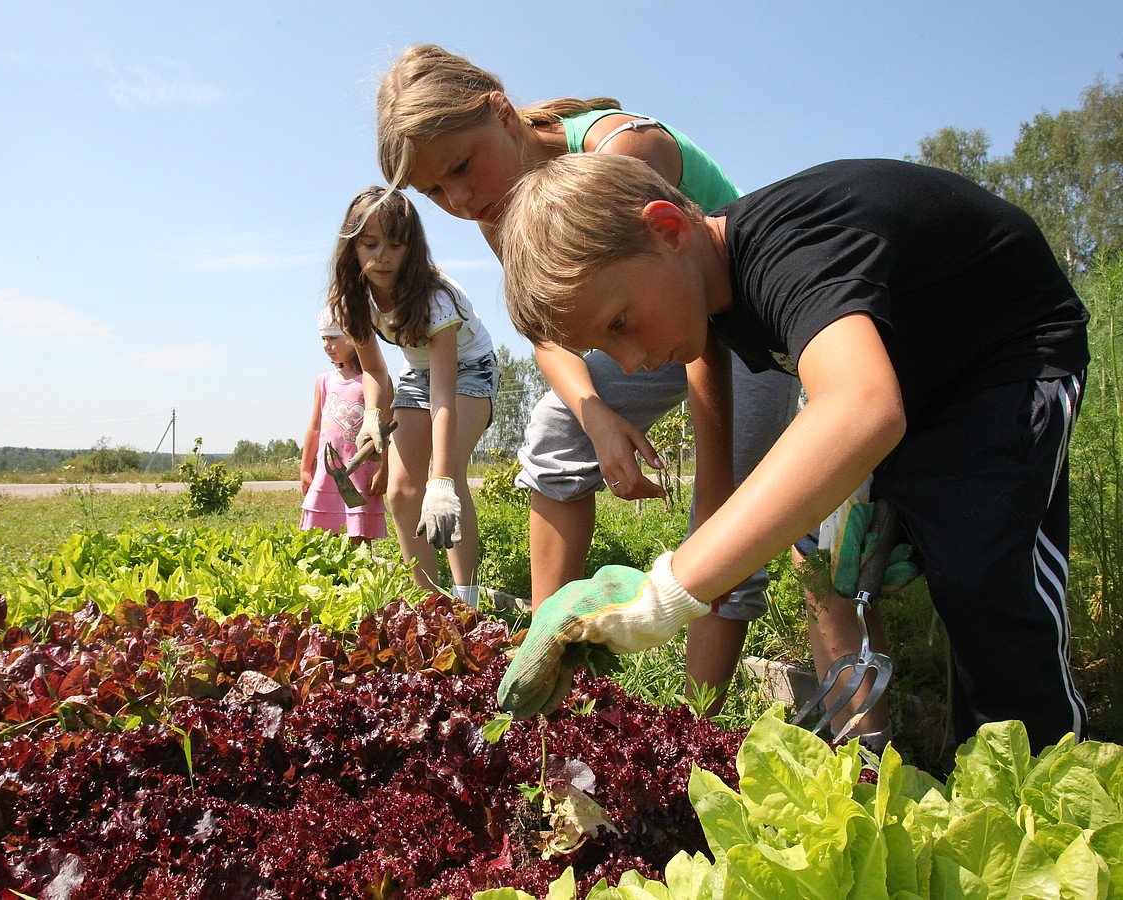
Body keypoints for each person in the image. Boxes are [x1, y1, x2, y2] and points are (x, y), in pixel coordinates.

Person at [494, 153, 1090, 753]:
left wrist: (662, 595)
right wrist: (708, 545)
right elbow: (720, 418)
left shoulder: (789, 251)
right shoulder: (706, 290)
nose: (627, 363)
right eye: (603, 347)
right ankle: (866, 762)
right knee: (826, 574)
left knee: (979, 576)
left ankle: (1041, 780)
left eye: (620, 322)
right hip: (906, 378)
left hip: (1005, 362)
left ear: (669, 228)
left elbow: (861, 407)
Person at [376, 44, 799, 710]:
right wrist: (598, 416)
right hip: (635, 321)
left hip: (746, 321)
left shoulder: (625, 154)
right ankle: (547, 656)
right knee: (556, 427)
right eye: (434, 191)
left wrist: (713, 481)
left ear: (502, 113)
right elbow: (548, 332)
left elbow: (691, 324)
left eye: (461, 167)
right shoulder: (499, 208)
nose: (457, 200)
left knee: (727, 512)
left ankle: (694, 726)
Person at [327, 186, 499, 604]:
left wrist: (439, 482)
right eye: (369, 244)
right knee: (402, 489)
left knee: (449, 473)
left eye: (395, 244)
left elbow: (443, 398)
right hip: (418, 373)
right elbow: (373, 369)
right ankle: (429, 604)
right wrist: (371, 413)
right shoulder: (355, 300)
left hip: (469, 370)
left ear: (412, 248)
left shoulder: (437, 298)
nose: (381, 256)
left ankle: (466, 602)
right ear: (352, 247)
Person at [298, 309, 388, 544]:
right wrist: (306, 467)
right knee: (323, 534)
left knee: (358, 533)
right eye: (324, 338)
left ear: (355, 337)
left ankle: (360, 575)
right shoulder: (324, 381)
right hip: (328, 473)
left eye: (334, 337)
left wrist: (383, 470)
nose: (327, 345)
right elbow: (315, 427)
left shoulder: (375, 381)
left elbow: (386, 430)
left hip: (360, 475)